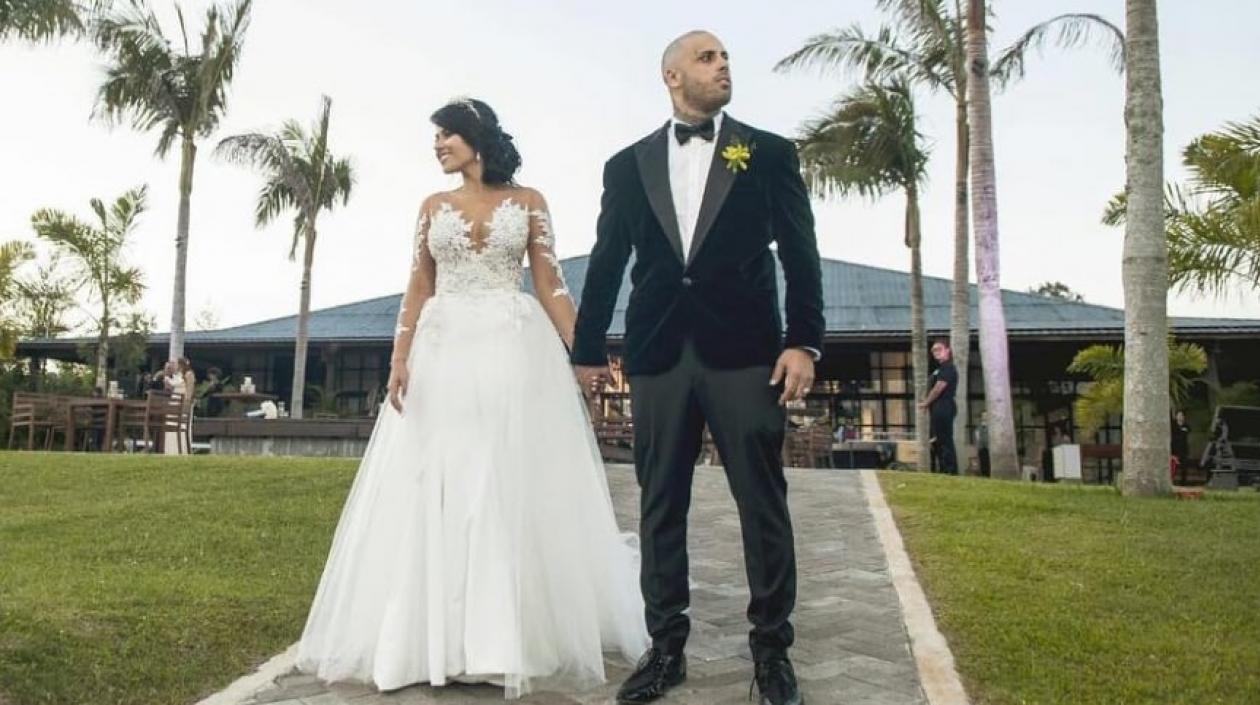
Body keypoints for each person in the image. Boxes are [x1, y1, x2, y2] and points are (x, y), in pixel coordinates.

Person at [296, 98, 648, 698]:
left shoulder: (530, 201)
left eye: (446, 135)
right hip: (444, 352)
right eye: (435, 137)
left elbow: (551, 285)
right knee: (443, 477)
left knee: (499, 475)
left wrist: (585, 352)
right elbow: (419, 282)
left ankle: (500, 639)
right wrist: (399, 357)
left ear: (476, 137)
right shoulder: (432, 207)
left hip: (511, 348)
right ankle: (432, 638)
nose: (437, 145)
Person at [571, 31, 824, 705]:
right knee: (660, 504)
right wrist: (587, 351)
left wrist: (804, 341)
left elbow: (801, 252)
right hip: (657, 354)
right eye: (707, 58)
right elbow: (606, 261)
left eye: (726, 57)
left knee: (762, 501)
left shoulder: (769, 153)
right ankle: (665, 648)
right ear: (672, 75)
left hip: (746, 352)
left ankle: (771, 650)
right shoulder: (626, 166)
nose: (723, 65)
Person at [918, 339, 959, 475]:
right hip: (937, 407)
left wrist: (926, 402)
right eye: (934, 350)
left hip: (944, 405)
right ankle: (943, 467)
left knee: (945, 438)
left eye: (939, 349)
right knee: (938, 439)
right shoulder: (939, 369)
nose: (936, 352)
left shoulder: (948, 367)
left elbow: (939, 387)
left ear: (947, 350)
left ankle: (950, 469)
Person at [1171, 409, 1191, 484]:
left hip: (1183, 448)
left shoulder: (1186, 425)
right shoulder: (1173, 425)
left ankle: (1183, 481)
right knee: (1174, 465)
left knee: (1184, 465)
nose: (1180, 417)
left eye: (1181, 415)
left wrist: (1182, 430)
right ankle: (1172, 479)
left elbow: (1188, 430)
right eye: (1178, 415)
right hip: (1175, 447)